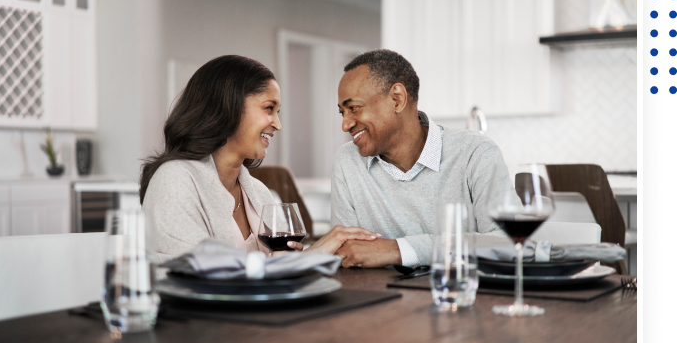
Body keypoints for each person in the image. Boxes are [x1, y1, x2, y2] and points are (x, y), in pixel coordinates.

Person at [140, 55, 379, 264]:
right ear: (227, 107)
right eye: (268, 108)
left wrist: (294, 260)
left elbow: (272, 276)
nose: (277, 124)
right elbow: (197, 279)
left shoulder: (258, 193)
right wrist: (310, 255)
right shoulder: (175, 180)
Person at [332, 49, 513, 268]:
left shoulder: (476, 153)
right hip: (381, 298)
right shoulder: (347, 161)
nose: (346, 124)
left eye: (354, 108)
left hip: (462, 296)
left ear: (397, 99)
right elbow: (348, 254)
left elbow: (509, 243)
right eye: (343, 112)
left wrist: (399, 250)